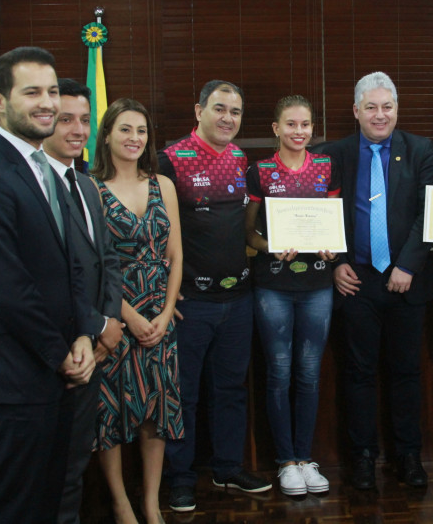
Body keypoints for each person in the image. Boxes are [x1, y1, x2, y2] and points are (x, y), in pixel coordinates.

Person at [0, 46, 101, 523]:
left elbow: (76, 268)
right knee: (20, 510)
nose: (47, 103)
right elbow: (7, 289)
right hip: (14, 381)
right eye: (32, 91)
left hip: (63, 373)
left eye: (53, 91)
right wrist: (62, 353)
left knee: (55, 502)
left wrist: (82, 335)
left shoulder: (53, 174)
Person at [316, 71, 433, 490]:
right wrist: (337, 263)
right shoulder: (335, 154)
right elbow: (322, 213)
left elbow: (429, 213)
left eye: (387, 106)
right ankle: (363, 458)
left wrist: (407, 265)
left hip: (407, 279)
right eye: (370, 107)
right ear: (356, 111)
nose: (380, 114)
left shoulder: (420, 149)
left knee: (407, 372)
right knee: (358, 373)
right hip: (357, 281)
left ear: (397, 109)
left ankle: (408, 456)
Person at [159, 81, 271, 513]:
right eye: (220, 109)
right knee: (183, 393)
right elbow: (162, 234)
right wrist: (169, 297)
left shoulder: (241, 158)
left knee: (230, 389)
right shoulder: (170, 160)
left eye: (236, 112)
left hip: (238, 298)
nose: (228, 118)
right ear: (199, 110)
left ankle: (227, 467)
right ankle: (180, 478)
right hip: (190, 302)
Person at [92, 98, 184, 524]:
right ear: (107, 134)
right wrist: (128, 315)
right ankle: (121, 503)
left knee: (156, 411)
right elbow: (92, 263)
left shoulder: (162, 184)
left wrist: (165, 314)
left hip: (159, 315)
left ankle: (150, 501)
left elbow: (176, 255)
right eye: (125, 129)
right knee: (109, 412)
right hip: (114, 313)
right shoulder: (89, 188)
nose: (134, 138)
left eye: (142, 131)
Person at [245, 95, 341, 496]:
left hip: (317, 285)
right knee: (280, 372)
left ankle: (305, 458)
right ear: (276, 128)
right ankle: (285, 461)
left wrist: (331, 247)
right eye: (291, 125)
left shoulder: (326, 168)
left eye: (305, 125)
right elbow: (247, 235)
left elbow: (334, 225)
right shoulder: (260, 172)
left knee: (309, 373)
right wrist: (270, 247)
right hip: (273, 286)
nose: (299, 132)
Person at [42, 78, 125, 524]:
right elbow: (51, 278)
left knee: (72, 475)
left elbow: (106, 261)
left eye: (85, 120)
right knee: (43, 482)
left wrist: (108, 327)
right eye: (66, 119)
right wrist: (93, 328)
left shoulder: (87, 185)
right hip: (56, 357)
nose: (78, 130)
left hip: (94, 351)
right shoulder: (37, 188)